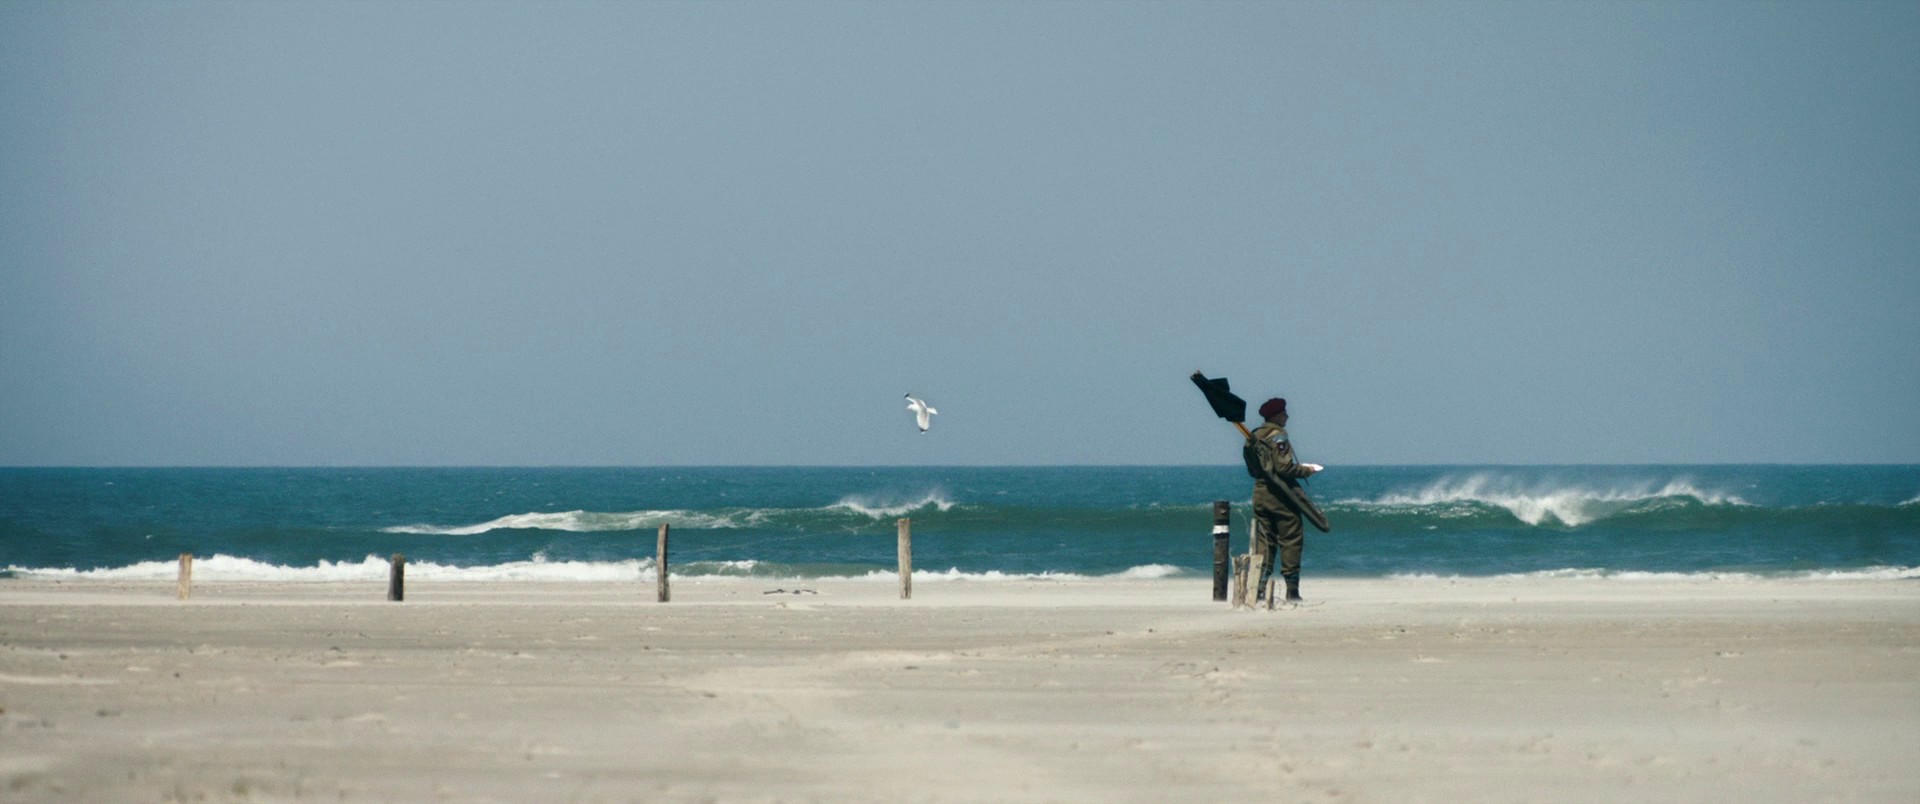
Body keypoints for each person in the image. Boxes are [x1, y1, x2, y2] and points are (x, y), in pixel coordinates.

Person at [1247, 397, 1323, 603]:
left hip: (1260, 492)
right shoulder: (1277, 436)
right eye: (1284, 414)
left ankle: (1260, 589)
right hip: (1280, 494)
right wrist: (1307, 470)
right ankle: (1292, 591)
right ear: (1276, 416)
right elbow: (1284, 468)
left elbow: (1253, 469)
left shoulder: (1254, 436)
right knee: (1291, 539)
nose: (1287, 417)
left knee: (1265, 541)